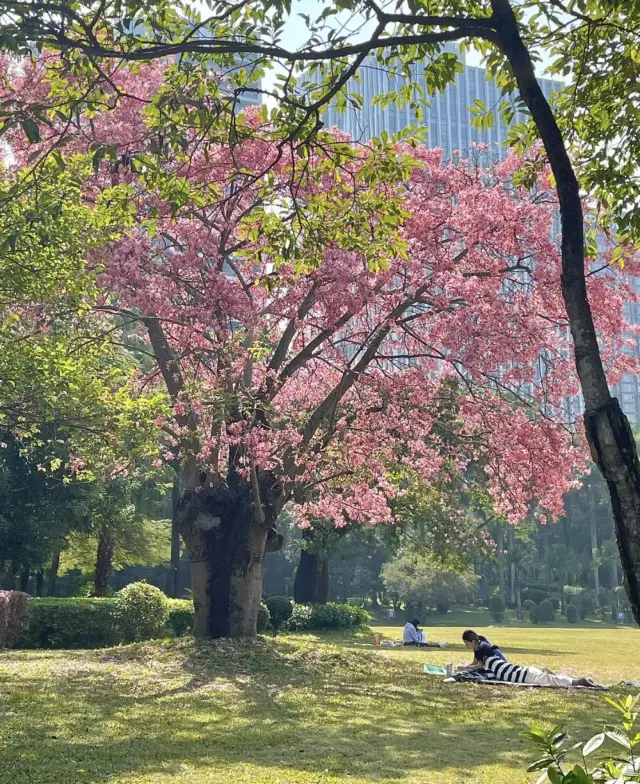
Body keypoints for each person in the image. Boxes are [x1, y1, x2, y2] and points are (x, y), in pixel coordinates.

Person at [461, 630, 604, 689]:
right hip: (523, 671)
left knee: (551, 682)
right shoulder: (486, 652)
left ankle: (579, 682)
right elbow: (478, 665)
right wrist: (467, 668)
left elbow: (479, 667)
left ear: (472, 642)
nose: (467, 646)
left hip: (524, 675)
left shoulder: (485, 653)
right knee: (548, 678)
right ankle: (557, 675)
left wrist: (467, 669)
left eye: (467, 643)